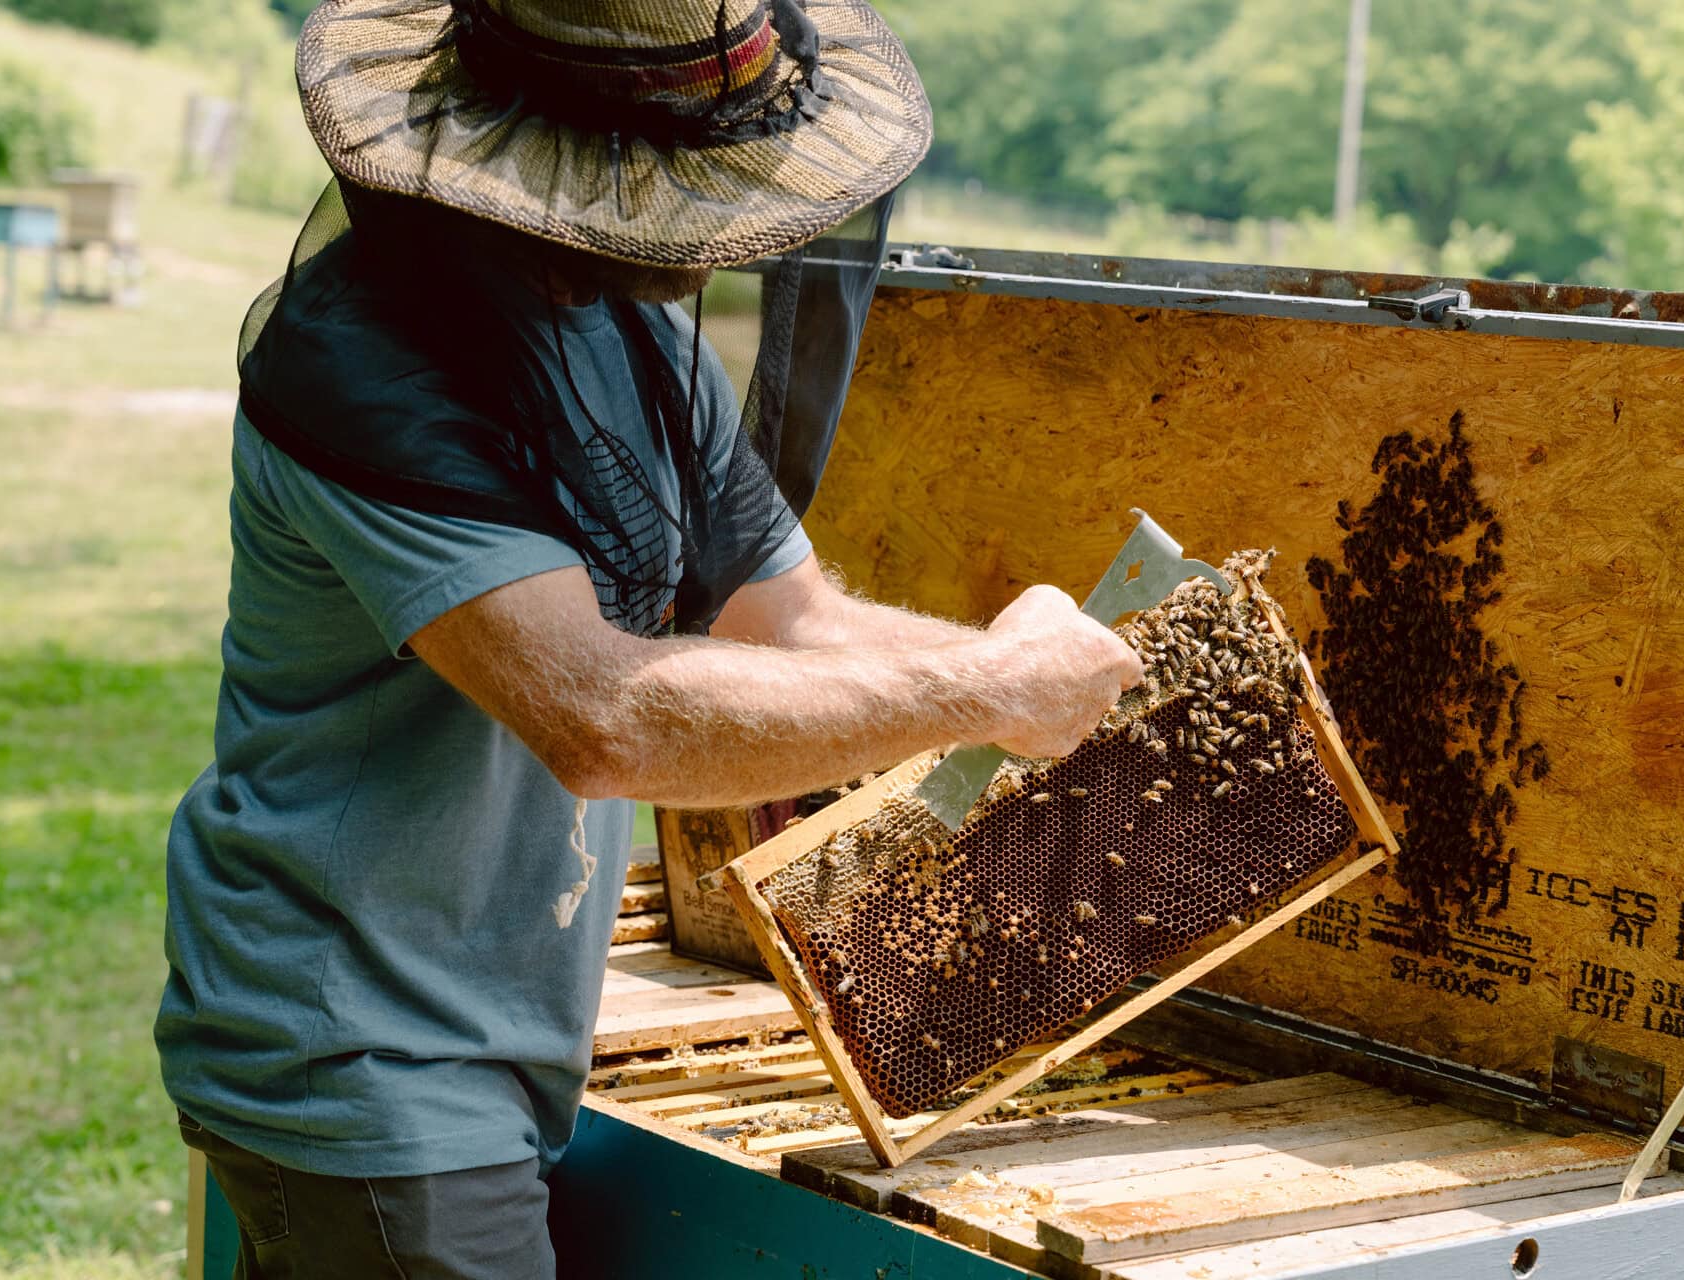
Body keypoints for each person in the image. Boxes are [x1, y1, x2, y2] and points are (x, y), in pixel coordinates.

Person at [154, 0, 1141, 1275]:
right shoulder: (366, 362)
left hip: (478, 1026)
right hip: (363, 1054)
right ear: (575, 151)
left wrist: (1030, 668)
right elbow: (600, 714)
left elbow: (801, 623)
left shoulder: (646, 336)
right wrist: (991, 688)